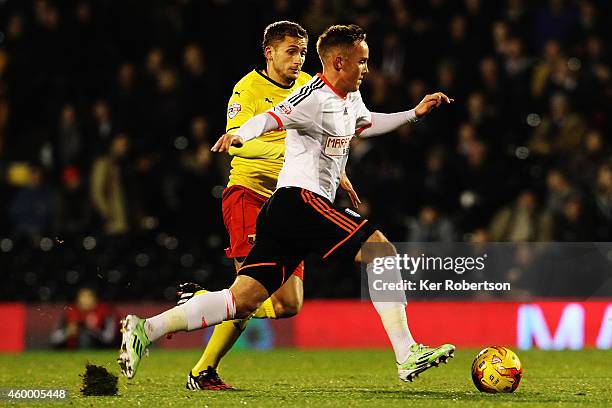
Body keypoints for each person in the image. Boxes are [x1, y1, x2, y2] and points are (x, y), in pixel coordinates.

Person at [119, 24, 454, 384]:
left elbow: (366, 123)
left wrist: (413, 114)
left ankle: (146, 328)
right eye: (363, 61)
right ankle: (406, 353)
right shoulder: (309, 95)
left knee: (245, 300)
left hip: (283, 208)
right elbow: (269, 119)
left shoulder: (348, 95)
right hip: (298, 199)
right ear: (340, 61)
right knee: (381, 252)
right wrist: (239, 134)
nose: (368, 69)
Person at [175, 21, 361, 390]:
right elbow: (241, 140)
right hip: (248, 193)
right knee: (247, 293)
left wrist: (336, 170)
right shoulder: (247, 89)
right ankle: (203, 370)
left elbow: (327, 137)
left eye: (303, 52)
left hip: (289, 202)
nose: (298, 59)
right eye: (291, 51)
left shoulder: (311, 85)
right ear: (270, 52)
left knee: (288, 304)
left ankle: (204, 302)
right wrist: (290, 147)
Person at [50, 287, 119, 349]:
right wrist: (68, 332)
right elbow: (53, 339)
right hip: (71, 351)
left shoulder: (104, 312)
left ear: (95, 299)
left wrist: (90, 330)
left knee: (85, 336)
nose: (85, 300)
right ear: (78, 299)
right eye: (83, 296)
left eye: (89, 296)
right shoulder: (69, 312)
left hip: (97, 349)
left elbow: (109, 339)